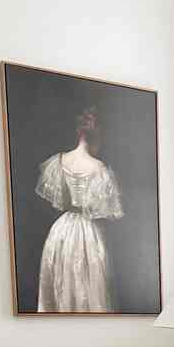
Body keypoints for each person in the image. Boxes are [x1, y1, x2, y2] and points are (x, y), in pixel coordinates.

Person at [35, 107, 123, 311]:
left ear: (78, 131)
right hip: (89, 231)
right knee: (89, 283)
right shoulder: (99, 168)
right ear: (97, 133)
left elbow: (62, 200)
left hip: (61, 231)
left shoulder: (60, 161)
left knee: (64, 280)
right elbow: (106, 211)